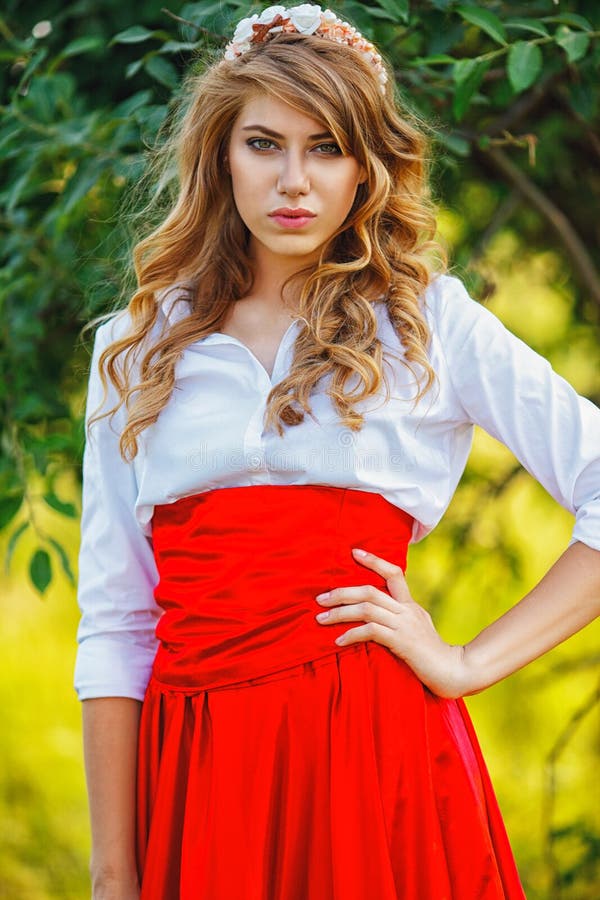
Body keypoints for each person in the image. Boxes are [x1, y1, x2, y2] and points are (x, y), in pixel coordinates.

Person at [74, 4, 600, 899]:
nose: (293, 181)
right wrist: (115, 869)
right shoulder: (138, 343)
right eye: (263, 144)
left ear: (366, 169)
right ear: (219, 155)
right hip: (200, 765)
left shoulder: (428, 323)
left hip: (376, 749)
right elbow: (117, 622)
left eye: (326, 148)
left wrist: (466, 663)